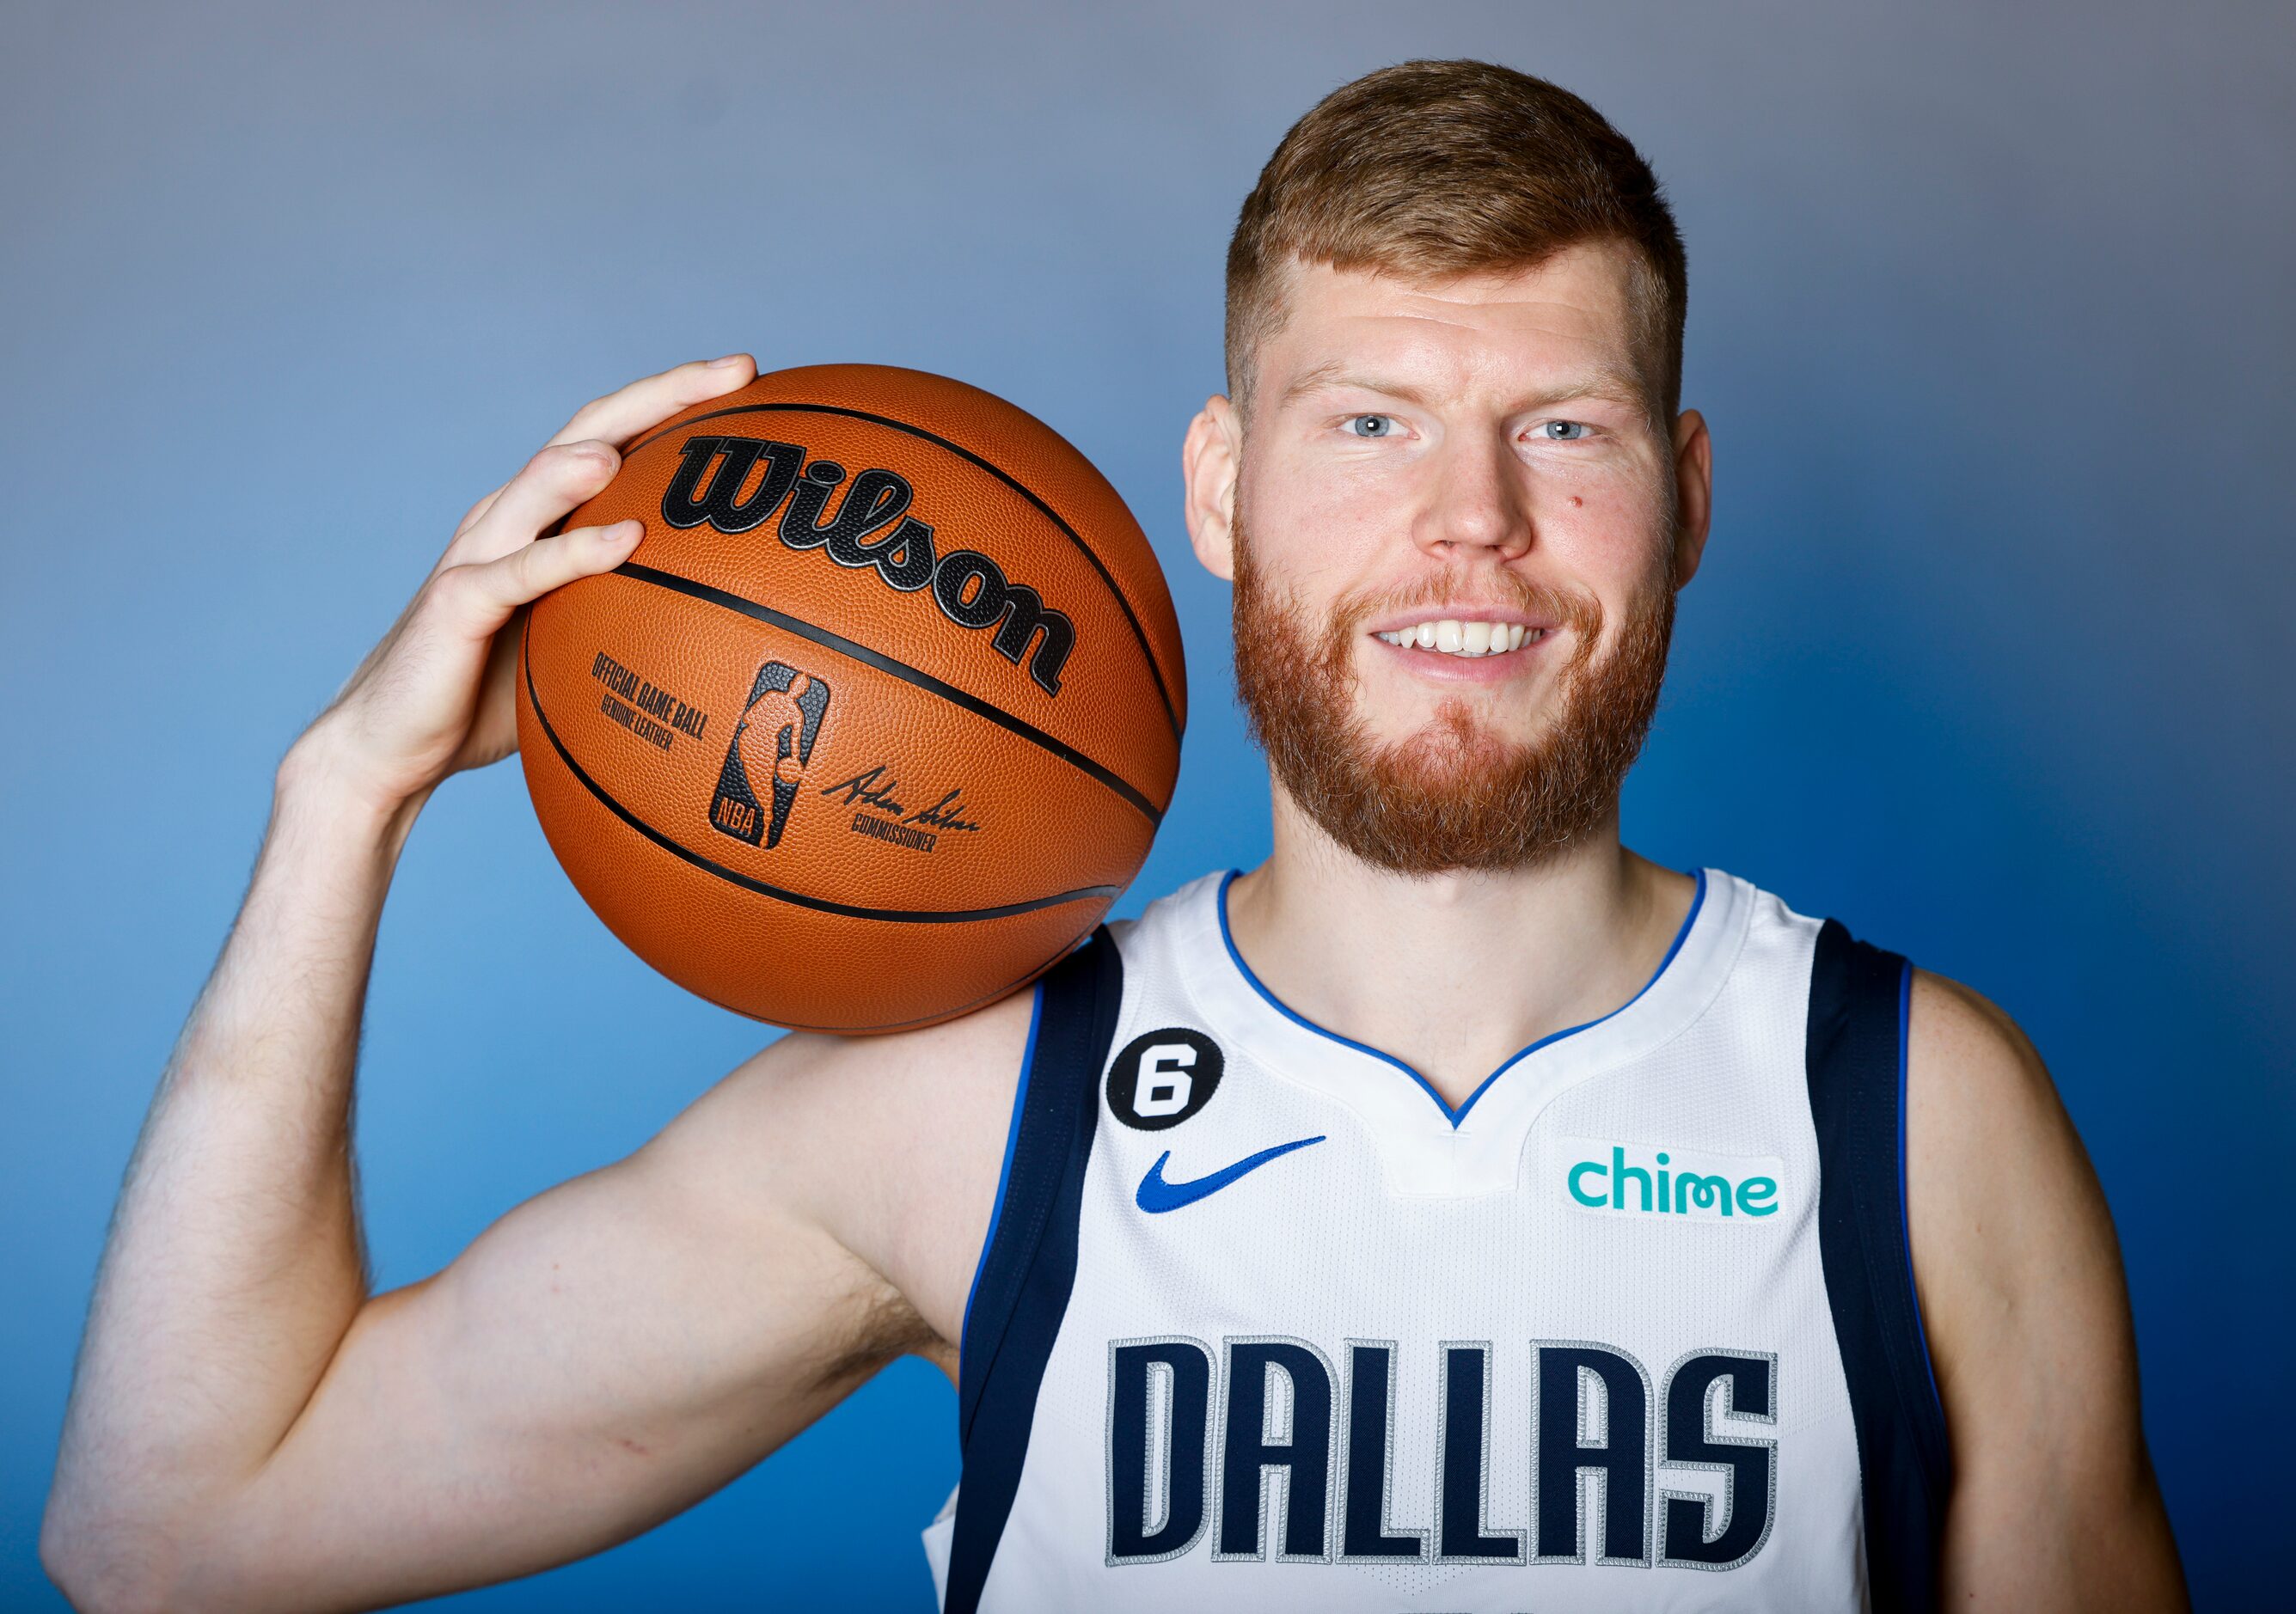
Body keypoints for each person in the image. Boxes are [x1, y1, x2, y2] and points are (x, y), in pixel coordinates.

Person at [41, 59, 2184, 1613]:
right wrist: (344, 805)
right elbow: (181, 1528)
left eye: (1562, 428)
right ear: (1224, 489)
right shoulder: (969, 1119)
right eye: (1369, 423)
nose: (1474, 523)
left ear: (1686, 499)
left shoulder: (1917, 1117)